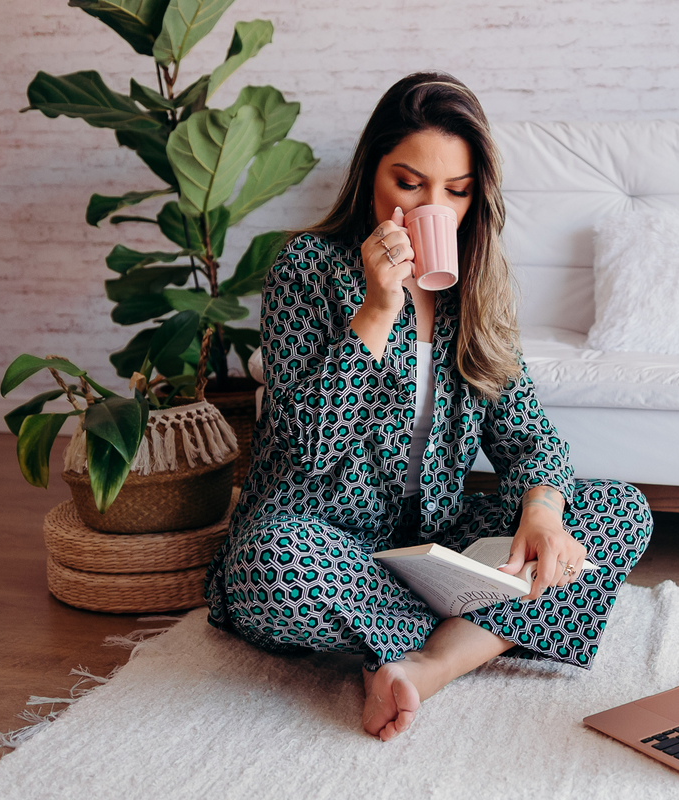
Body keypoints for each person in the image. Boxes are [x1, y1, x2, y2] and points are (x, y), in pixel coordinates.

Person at [204, 72, 653, 741]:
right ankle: (482, 628)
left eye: (457, 191)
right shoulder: (307, 266)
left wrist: (541, 515)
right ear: (371, 175)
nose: (430, 207)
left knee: (617, 510)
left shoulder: (478, 286)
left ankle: (428, 663)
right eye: (409, 183)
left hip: (435, 543)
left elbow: (528, 435)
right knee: (272, 563)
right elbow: (309, 446)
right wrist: (377, 311)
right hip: (323, 538)